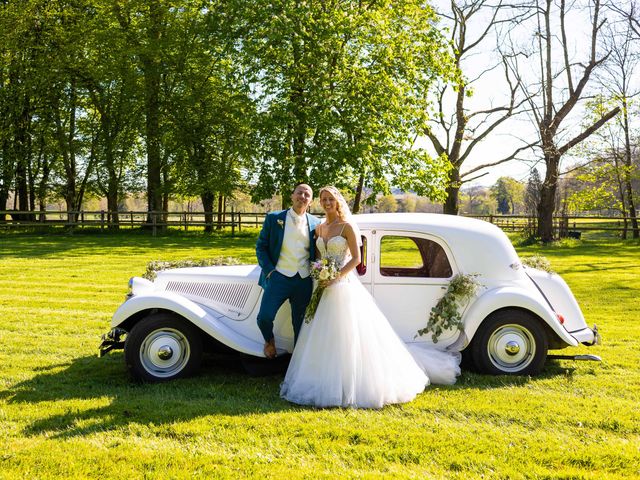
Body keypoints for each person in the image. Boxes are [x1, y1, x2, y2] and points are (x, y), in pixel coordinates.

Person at [280, 186, 461, 409]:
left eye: (330, 199)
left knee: (347, 337)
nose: (327, 203)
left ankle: (349, 385)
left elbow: (356, 258)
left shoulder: (346, 227)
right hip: (323, 287)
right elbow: (318, 258)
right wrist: (320, 273)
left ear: (337, 202)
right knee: (323, 336)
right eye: (323, 199)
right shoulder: (319, 228)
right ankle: (322, 379)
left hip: (343, 286)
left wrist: (335, 276)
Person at [256, 183, 322, 359]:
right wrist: (269, 271)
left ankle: (297, 363)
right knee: (264, 316)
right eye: (299, 193)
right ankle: (269, 341)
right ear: (292, 196)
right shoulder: (274, 218)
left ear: (311, 200)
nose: (303, 196)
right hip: (278, 277)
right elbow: (261, 246)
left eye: (307, 194)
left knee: (300, 323)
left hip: (303, 279)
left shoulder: (316, 223)